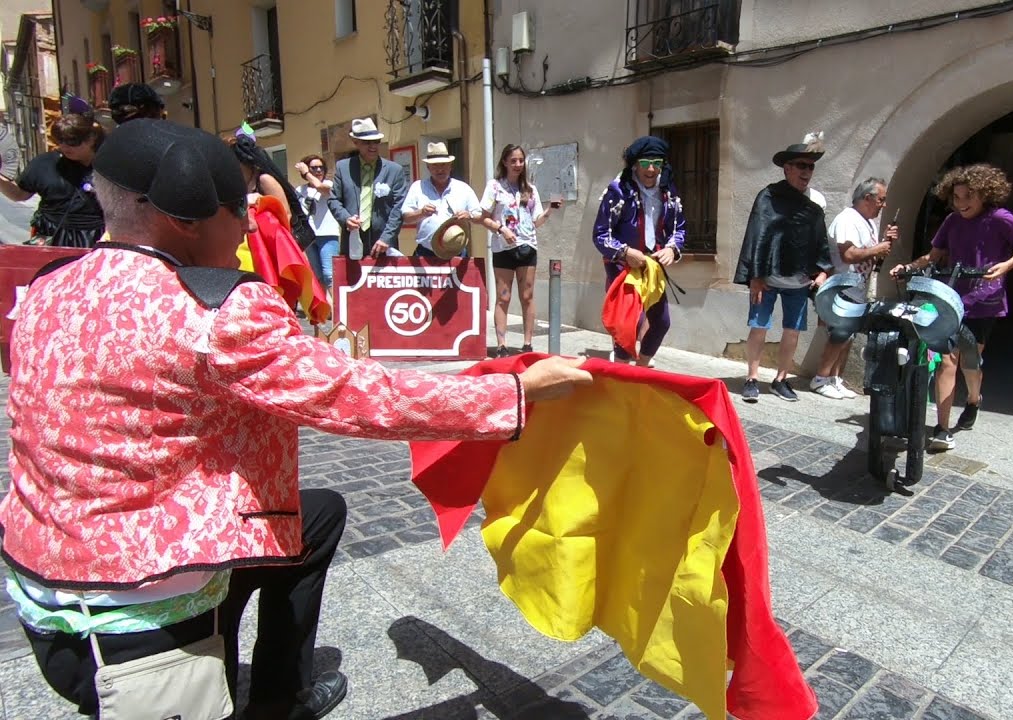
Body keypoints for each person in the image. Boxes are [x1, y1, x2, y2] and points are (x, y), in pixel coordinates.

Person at [0, 119, 593, 719]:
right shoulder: (215, 307)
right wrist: (514, 391)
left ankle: (283, 691)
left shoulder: (48, 285)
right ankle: (258, 695)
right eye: (243, 214)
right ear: (185, 218)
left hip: (42, 586)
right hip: (146, 617)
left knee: (316, 516)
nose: (249, 229)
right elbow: (356, 396)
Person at [892, 164, 1013, 450]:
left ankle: (974, 399)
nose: (962, 203)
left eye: (968, 197)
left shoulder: (999, 218)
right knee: (947, 360)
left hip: (986, 300)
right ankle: (942, 427)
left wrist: (1007, 265)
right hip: (952, 298)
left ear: (985, 194)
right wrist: (907, 268)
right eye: (957, 197)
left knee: (970, 363)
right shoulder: (952, 221)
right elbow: (934, 255)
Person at [735, 132, 832, 402]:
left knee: (792, 331)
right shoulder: (768, 196)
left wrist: (823, 271)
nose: (807, 171)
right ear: (787, 168)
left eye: (810, 166)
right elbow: (757, 234)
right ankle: (752, 378)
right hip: (767, 278)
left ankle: (781, 380)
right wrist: (754, 275)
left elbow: (819, 240)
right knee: (759, 327)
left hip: (799, 281)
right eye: (802, 165)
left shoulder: (815, 203)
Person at [591, 136, 686, 367]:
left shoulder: (668, 191)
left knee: (661, 322)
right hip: (624, 266)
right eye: (645, 163)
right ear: (635, 165)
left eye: (657, 163)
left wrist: (673, 249)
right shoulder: (618, 190)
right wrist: (625, 253)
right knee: (628, 324)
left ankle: (642, 368)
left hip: (652, 266)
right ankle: (621, 375)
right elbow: (601, 234)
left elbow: (679, 227)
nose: (651, 169)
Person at [811, 176, 896, 399]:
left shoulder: (868, 222)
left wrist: (884, 245)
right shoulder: (847, 219)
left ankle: (835, 379)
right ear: (868, 198)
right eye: (881, 200)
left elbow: (872, 259)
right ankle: (820, 378)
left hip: (857, 289)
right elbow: (848, 255)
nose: (883, 205)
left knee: (848, 337)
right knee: (839, 334)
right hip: (843, 287)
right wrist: (879, 248)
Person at [478, 144, 558, 356]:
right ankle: (502, 345)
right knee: (503, 297)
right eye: (513, 160)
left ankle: (527, 343)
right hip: (503, 248)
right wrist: (501, 229)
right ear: (504, 162)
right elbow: (482, 217)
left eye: (520, 161)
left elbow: (536, 222)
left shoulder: (530, 190)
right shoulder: (494, 186)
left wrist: (550, 211)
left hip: (527, 247)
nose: (517, 165)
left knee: (527, 296)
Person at [0, 114, 105, 247]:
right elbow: (19, 195)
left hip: (96, 235)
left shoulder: (108, 165)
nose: (65, 146)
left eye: (72, 142)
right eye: (60, 141)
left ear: (91, 139)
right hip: (51, 233)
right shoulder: (44, 163)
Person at [327, 117, 408, 259]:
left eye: (376, 142)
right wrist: (346, 219)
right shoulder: (343, 167)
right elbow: (334, 200)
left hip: (383, 245)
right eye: (367, 142)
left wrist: (387, 238)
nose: (373, 146)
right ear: (355, 142)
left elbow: (399, 207)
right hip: (352, 243)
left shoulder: (394, 170)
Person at [295, 154, 342, 291]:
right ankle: (324, 311)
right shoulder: (300, 190)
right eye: (314, 168)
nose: (319, 170)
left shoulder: (329, 184)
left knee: (330, 275)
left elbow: (320, 187)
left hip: (328, 234)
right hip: (310, 237)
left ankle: (337, 310)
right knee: (317, 276)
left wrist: (306, 172)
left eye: (321, 167)